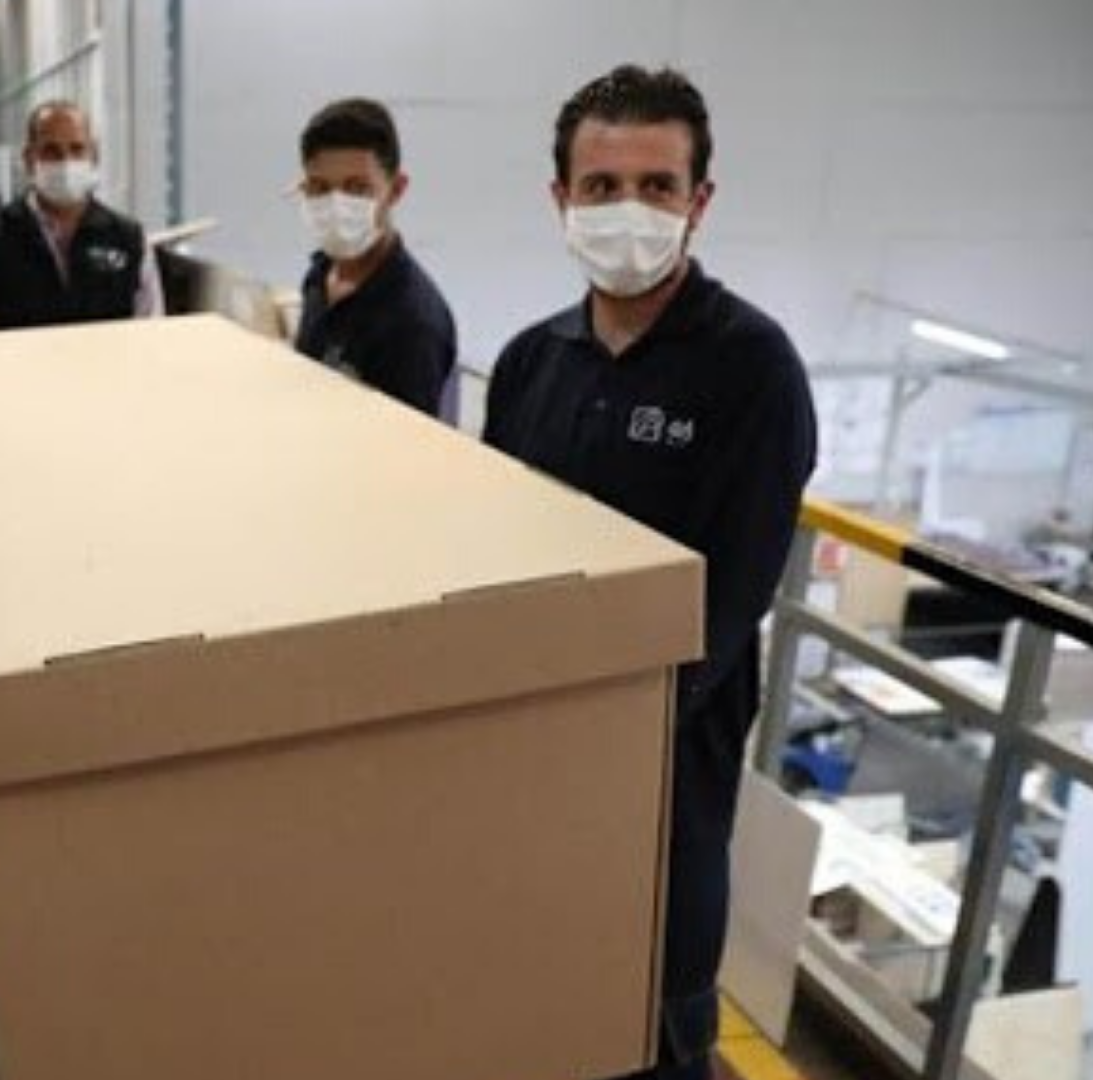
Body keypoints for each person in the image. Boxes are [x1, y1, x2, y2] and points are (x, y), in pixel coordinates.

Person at [482, 65, 816, 1080]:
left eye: (657, 186)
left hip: (669, 772)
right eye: (602, 186)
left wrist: (608, 725)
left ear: (698, 202)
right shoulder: (531, 364)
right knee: (533, 995)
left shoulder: (752, 369)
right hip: (530, 753)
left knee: (656, 1021)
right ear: (561, 199)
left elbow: (730, 599)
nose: (629, 209)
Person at [292, 97, 458, 418]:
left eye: (357, 188)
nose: (336, 205)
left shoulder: (413, 324)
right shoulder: (319, 276)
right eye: (320, 187)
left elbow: (407, 444)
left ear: (396, 190)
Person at [0, 99, 163, 331]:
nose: (66, 162)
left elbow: (151, 332)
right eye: (51, 151)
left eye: (77, 149)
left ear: (94, 156)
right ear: (29, 159)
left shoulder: (129, 240)